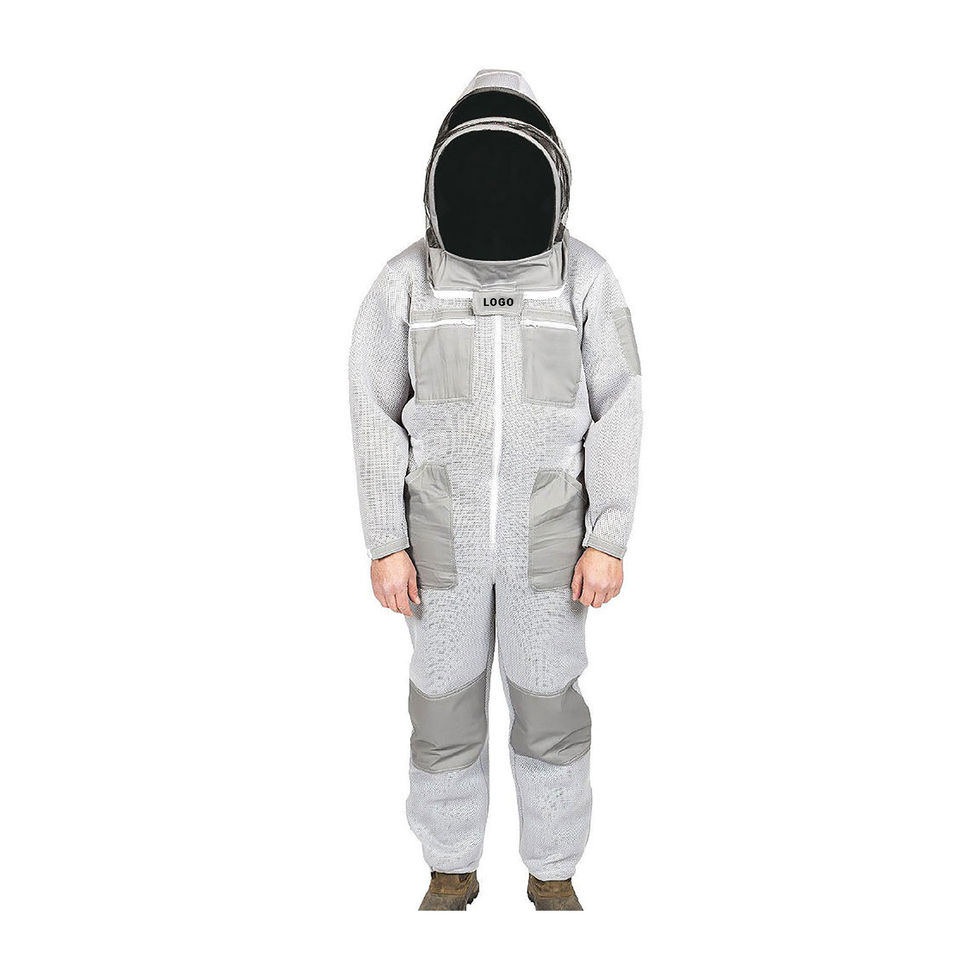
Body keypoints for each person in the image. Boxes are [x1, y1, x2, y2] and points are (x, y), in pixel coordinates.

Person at [349, 69, 642, 911]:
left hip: (551, 543)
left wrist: (608, 535)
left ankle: (554, 874)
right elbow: (372, 410)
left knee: (550, 709)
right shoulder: (407, 282)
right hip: (437, 543)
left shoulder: (586, 279)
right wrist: (386, 542)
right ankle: (450, 869)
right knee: (443, 709)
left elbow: (621, 406)